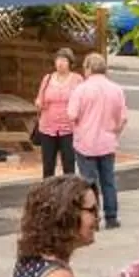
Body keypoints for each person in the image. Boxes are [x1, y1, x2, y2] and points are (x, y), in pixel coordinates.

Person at [67, 51, 130, 226]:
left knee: (88, 182)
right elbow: (123, 118)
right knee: (108, 180)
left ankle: (92, 218)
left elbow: (72, 115)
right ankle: (111, 216)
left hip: (85, 141)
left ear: (87, 68)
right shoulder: (116, 90)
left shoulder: (81, 89)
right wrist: (115, 132)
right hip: (107, 141)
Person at [32, 48, 81, 180]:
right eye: (58, 60)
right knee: (48, 166)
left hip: (68, 128)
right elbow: (39, 98)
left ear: (70, 63)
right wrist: (38, 103)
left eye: (64, 60)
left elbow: (82, 101)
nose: (60, 63)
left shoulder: (77, 79)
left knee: (69, 165)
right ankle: (47, 196)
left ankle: (69, 195)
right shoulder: (47, 78)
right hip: (47, 127)